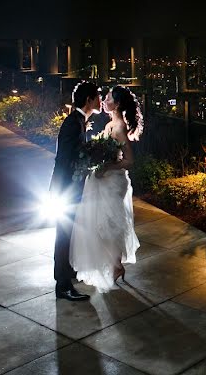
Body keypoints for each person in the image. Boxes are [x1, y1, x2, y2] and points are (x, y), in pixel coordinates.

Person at [70, 85, 143, 292]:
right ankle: (114, 265)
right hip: (103, 179)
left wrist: (107, 166)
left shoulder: (119, 128)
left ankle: (116, 266)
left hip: (114, 182)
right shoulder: (111, 124)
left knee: (110, 225)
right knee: (100, 225)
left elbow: (129, 160)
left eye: (108, 97)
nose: (103, 100)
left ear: (116, 103)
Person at [50, 81, 101, 301]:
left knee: (69, 235)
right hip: (65, 190)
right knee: (63, 236)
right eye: (98, 96)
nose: (100, 100)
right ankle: (62, 286)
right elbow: (63, 159)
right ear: (89, 100)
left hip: (70, 188)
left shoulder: (79, 121)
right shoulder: (73, 123)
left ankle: (67, 275)